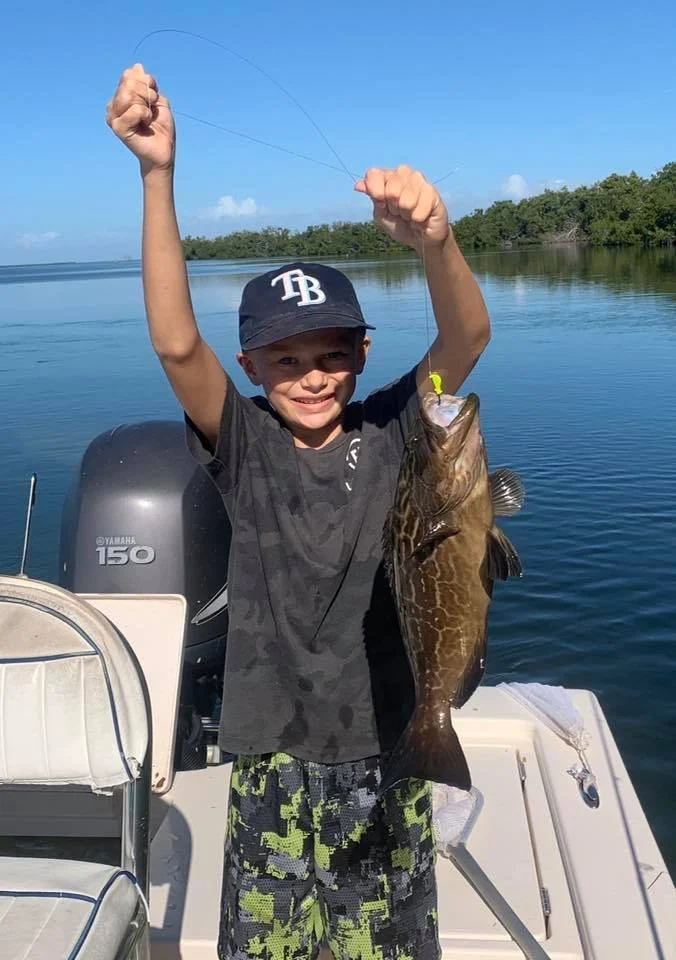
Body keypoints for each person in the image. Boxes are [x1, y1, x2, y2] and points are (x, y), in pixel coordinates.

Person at [107, 63, 491, 960]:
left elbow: (466, 337)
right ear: (250, 368)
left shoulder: (400, 427)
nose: (312, 376)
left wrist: (436, 240)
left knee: (380, 943)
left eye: (331, 353)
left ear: (363, 350)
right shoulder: (245, 445)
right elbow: (174, 341)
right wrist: (156, 175)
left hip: (389, 738)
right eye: (284, 359)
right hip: (273, 747)